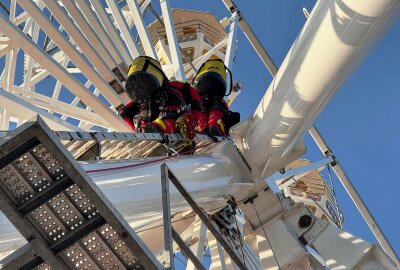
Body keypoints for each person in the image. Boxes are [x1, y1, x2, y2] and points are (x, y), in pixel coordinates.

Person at [120, 56, 202, 140]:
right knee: (173, 120)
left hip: (146, 123)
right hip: (169, 116)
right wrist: (194, 120)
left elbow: (123, 112)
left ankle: (148, 129)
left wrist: (135, 130)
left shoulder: (140, 100)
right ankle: (157, 126)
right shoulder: (174, 85)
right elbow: (196, 102)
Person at [192, 58, 240, 137]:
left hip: (201, 85)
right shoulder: (221, 71)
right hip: (217, 88)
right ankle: (215, 124)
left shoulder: (205, 67)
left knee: (201, 108)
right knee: (218, 107)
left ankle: (202, 127)